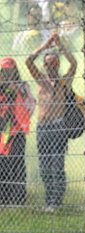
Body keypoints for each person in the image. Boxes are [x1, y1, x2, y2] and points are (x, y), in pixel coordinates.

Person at [26, 32, 76, 212]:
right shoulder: (41, 80)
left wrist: (60, 46)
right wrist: (45, 46)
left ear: (58, 64)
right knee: (45, 166)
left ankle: (56, 201)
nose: (49, 67)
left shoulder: (64, 82)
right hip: (42, 128)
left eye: (53, 63)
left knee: (57, 164)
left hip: (58, 126)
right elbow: (28, 62)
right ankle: (49, 200)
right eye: (47, 64)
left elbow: (74, 64)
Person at [0, 57, 35, 206]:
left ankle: (18, 199)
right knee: (3, 165)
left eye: (11, 70)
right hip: (2, 132)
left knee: (17, 163)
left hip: (16, 132)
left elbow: (31, 105)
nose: (8, 73)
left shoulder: (22, 86)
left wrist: (18, 93)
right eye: (5, 70)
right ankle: (4, 199)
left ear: (15, 71)